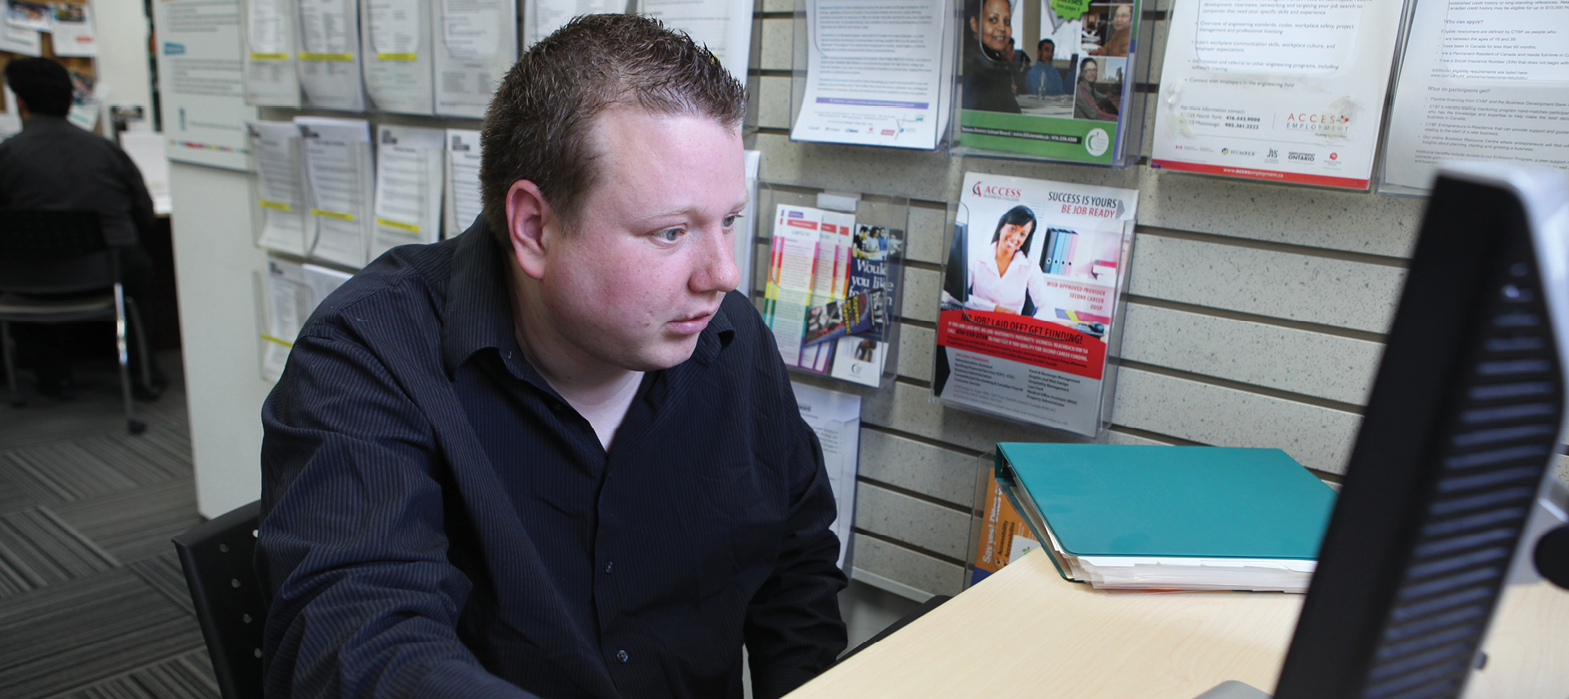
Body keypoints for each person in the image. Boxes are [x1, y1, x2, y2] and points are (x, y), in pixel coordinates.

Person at [256, 15, 847, 699]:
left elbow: (795, 569)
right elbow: (357, 642)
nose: (720, 274)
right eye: (670, 231)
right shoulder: (369, 351)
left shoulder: (731, 337)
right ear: (534, 227)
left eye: (728, 221)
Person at [0, 57, 164, 399]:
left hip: (28, 279)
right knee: (139, 268)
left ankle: (53, 378)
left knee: (29, 265)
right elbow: (145, 215)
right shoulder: (106, 151)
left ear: (20, 102)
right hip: (107, 272)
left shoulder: (8, 155)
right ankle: (143, 372)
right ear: (70, 100)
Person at [966, 205, 1052, 315]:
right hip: (977, 323)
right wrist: (995, 308)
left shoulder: (1030, 266)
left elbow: (1045, 304)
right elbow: (957, 297)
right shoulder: (977, 257)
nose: (1015, 238)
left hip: (1010, 328)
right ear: (1002, 227)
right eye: (1012, 228)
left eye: (1022, 234)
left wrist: (1034, 327)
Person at [962, 0, 1021, 113]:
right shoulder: (976, 67)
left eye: (1007, 21)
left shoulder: (992, 62)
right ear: (974, 24)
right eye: (993, 20)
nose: (1002, 28)